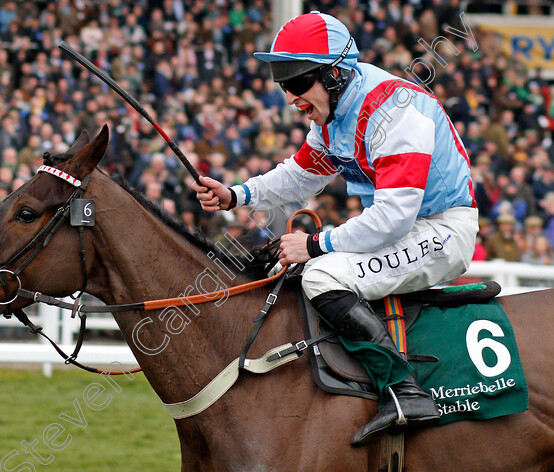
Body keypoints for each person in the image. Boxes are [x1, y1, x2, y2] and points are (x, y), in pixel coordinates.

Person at [192, 12, 479, 446]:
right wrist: (238, 195)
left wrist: (315, 243)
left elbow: (393, 217)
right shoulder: (333, 114)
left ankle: (404, 392)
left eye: (297, 82)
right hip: (403, 231)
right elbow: (299, 176)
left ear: (335, 74)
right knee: (286, 267)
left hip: (440, 230)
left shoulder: (392, 110)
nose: (290, 96)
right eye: (283, 83)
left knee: (321, 273)